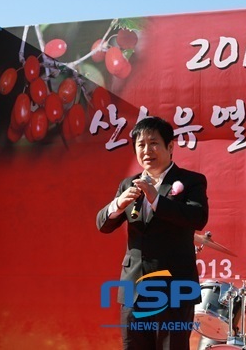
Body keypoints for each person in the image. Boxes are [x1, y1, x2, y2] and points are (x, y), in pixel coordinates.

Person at [96, 116, 209, 350]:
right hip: (133, 290)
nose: (147, 150)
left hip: (174, 291)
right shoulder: (129, 184)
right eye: (141, 144)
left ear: (170, 147)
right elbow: (102, 225)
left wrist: (156, 198)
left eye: (154, 143)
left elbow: (197, 218)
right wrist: (117, 205)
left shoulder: (191, 181)